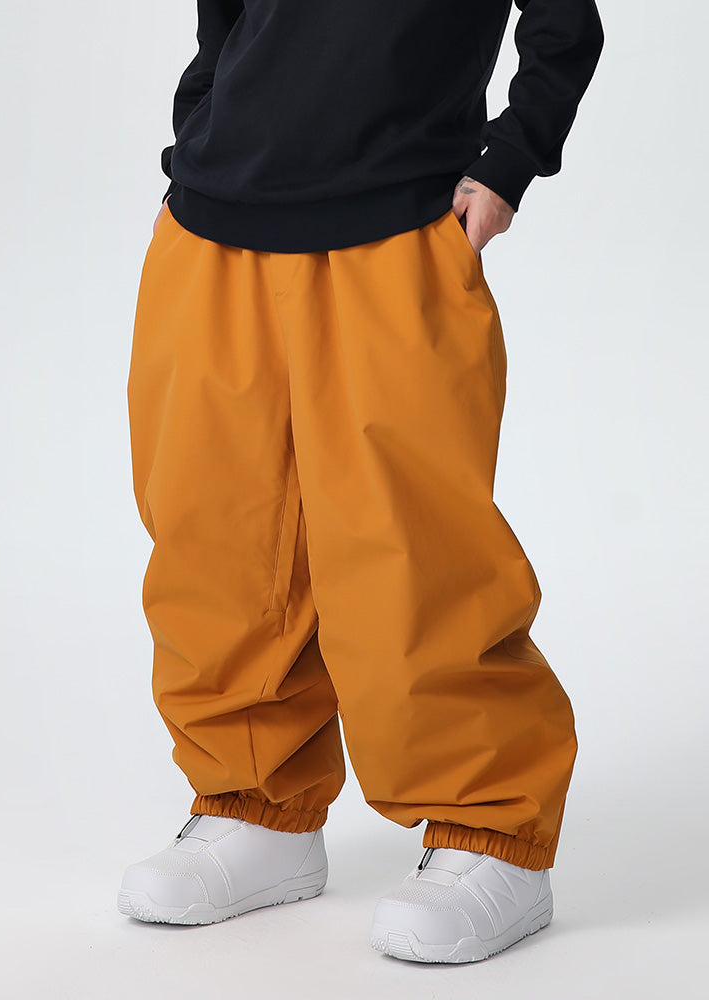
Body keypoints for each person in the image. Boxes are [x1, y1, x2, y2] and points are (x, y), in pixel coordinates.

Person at [118, 0, 605, 964]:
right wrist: (195, 142)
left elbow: (566, 20)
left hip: (398, 215)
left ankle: (490, 830)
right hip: (216, 216)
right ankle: (256, 804)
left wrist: (510, 159)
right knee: (216, 532)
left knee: (409, 544)